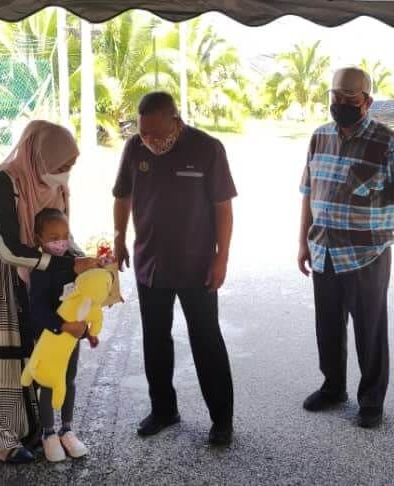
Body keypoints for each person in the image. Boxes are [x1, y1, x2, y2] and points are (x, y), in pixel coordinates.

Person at [0, 120, 98, 464]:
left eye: (70, 165)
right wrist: (66, 265)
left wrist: (88, 263)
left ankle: (32, 429)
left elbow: (61, 236)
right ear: (39, 157)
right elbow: (9, 249)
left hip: (31, 263)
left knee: (31, 343)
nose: (66, 172)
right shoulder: (2, 182)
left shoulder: (56, 185)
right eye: (61, 165)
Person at [297, 67, 394, 429]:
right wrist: (303, 242)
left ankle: (371, 401)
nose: (340, 103)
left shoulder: (388, 142)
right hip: (323, 250)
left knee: (370, 330)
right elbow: (308, 194)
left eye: (349, 98)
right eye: (335, 96)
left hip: (367, 256)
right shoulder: (320, 137)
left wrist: (377, 234)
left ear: (367, 101)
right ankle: (333, 388)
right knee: (328, 326)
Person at [112, 92, 236, 446]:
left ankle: (222, 419)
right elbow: (122, 196)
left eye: (156, 133)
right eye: (143, 133)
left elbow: (223, 208)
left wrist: (222, 257)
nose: (149, 140)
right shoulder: (134, 148)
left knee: (206, 339)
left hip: (197, 265)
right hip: (150, 264)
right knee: (155, 340)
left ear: (175, 121)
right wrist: (119, 237)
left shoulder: (208, 148)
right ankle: (164, 410)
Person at [25, 208, 95, 463]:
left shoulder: (74, 262)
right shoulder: (40, 268)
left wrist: (88, 332)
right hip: (48, 337)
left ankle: (67, 429)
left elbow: (84, 298)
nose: (61, 242)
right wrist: (63, 326)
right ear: (39, 239)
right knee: (47, 382)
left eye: (65, 235)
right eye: (54, 237)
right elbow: (38, 309)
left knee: (69, 379)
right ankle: (48, 433)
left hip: (71, 338)